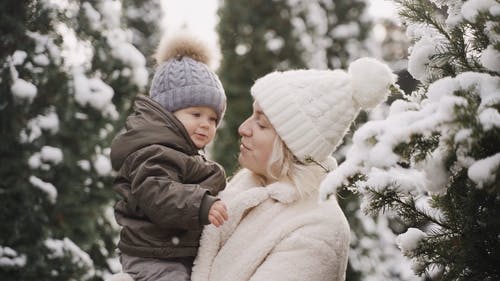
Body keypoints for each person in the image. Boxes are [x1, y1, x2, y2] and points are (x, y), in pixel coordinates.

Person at [191, 57, 396, 281]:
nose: (243, 128)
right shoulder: (250, 185)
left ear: (290, 147)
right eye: (252, 116)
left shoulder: (318, 232)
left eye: (261, 123)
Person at [109, 34, 229, 281]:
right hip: (153, 256)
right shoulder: (153, 150)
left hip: (170, 251)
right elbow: (157, 193)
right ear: (168, 113)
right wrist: (201, 204)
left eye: (213, 119)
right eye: (196, 114)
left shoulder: (181, 150)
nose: (206, 124)